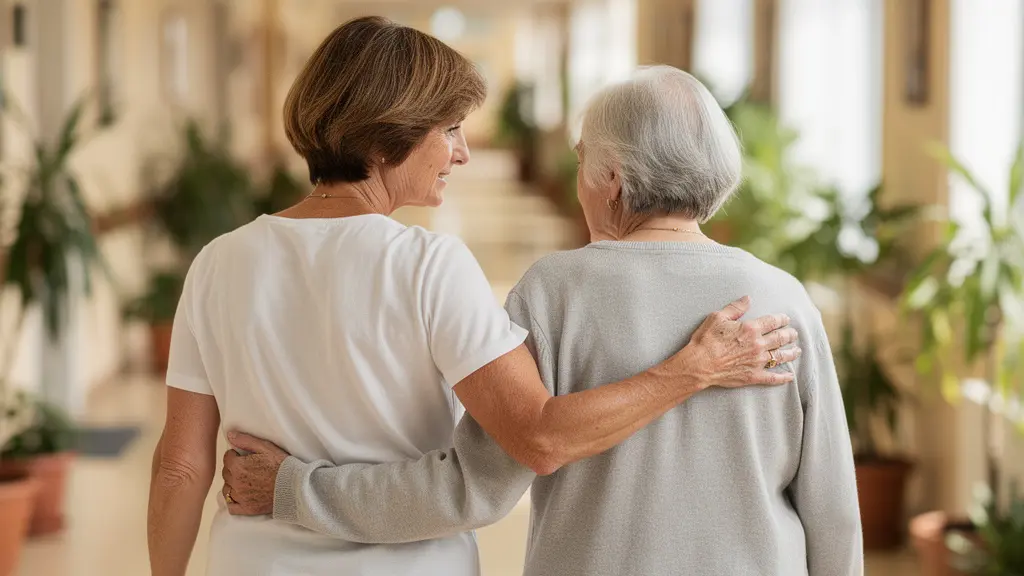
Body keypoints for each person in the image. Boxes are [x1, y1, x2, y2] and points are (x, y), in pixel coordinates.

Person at [146, 16, 799, 576]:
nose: (460, 153)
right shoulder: (426, 265)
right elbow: (538, 438)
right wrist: (688, 370)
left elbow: (180, 468)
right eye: (449, 129)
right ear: (385, 137)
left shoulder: (218, 263)